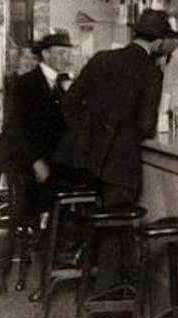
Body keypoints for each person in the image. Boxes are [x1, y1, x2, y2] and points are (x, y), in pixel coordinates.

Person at [57, 9, 169, 291]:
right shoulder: (151, 72)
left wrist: (91, 133)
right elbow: (145, 125)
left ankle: (105, 290)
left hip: (85, 164)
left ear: (134, 33)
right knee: (114, 228)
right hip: (120, 166)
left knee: (107, 225)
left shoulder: (102, 58)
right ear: (158, 43)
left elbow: (69, 103)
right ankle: (105, 298)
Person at [0, 33, 73, 293]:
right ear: (45, 54)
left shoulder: (62, 84)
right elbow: (16, 128)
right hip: (19, 158)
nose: (65, 57)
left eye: (67, 52)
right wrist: (36, 161)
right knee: (18, 212)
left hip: (45, 159)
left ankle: (53, 257)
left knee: (57, 204)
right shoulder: (27, 83)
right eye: (60, 52)